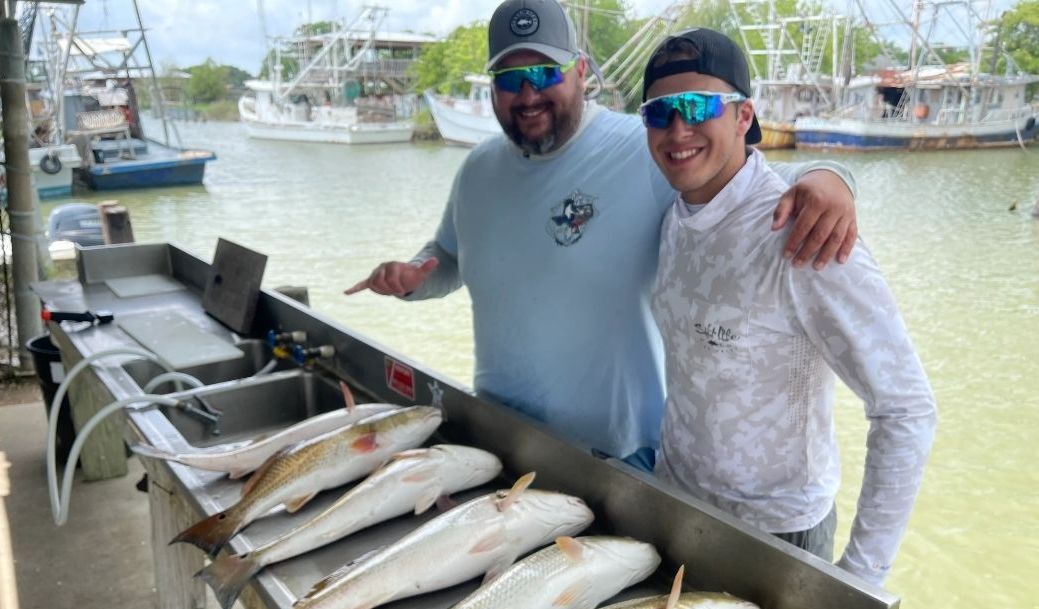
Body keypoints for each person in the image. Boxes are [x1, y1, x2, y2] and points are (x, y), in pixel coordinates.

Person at [346, 0, 859, 471]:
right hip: (499, 434)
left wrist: (830, 177)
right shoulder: (477, 169)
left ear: (582, 72)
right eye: (510, 77)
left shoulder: (649, 146)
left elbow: (746, 182)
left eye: (546, 72)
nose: (528, 94)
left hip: (618, 453)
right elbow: (448, 258)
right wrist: (414, 275)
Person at [640, 28, 937, 585]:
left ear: (744, 116)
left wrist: (861, 579)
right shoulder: (674, 213)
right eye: (659, 113)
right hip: (675, 499)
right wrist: (828, 169)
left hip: (778, 534)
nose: (678, 129)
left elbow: (906, 409)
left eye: (698, 106)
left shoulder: (802, 231)